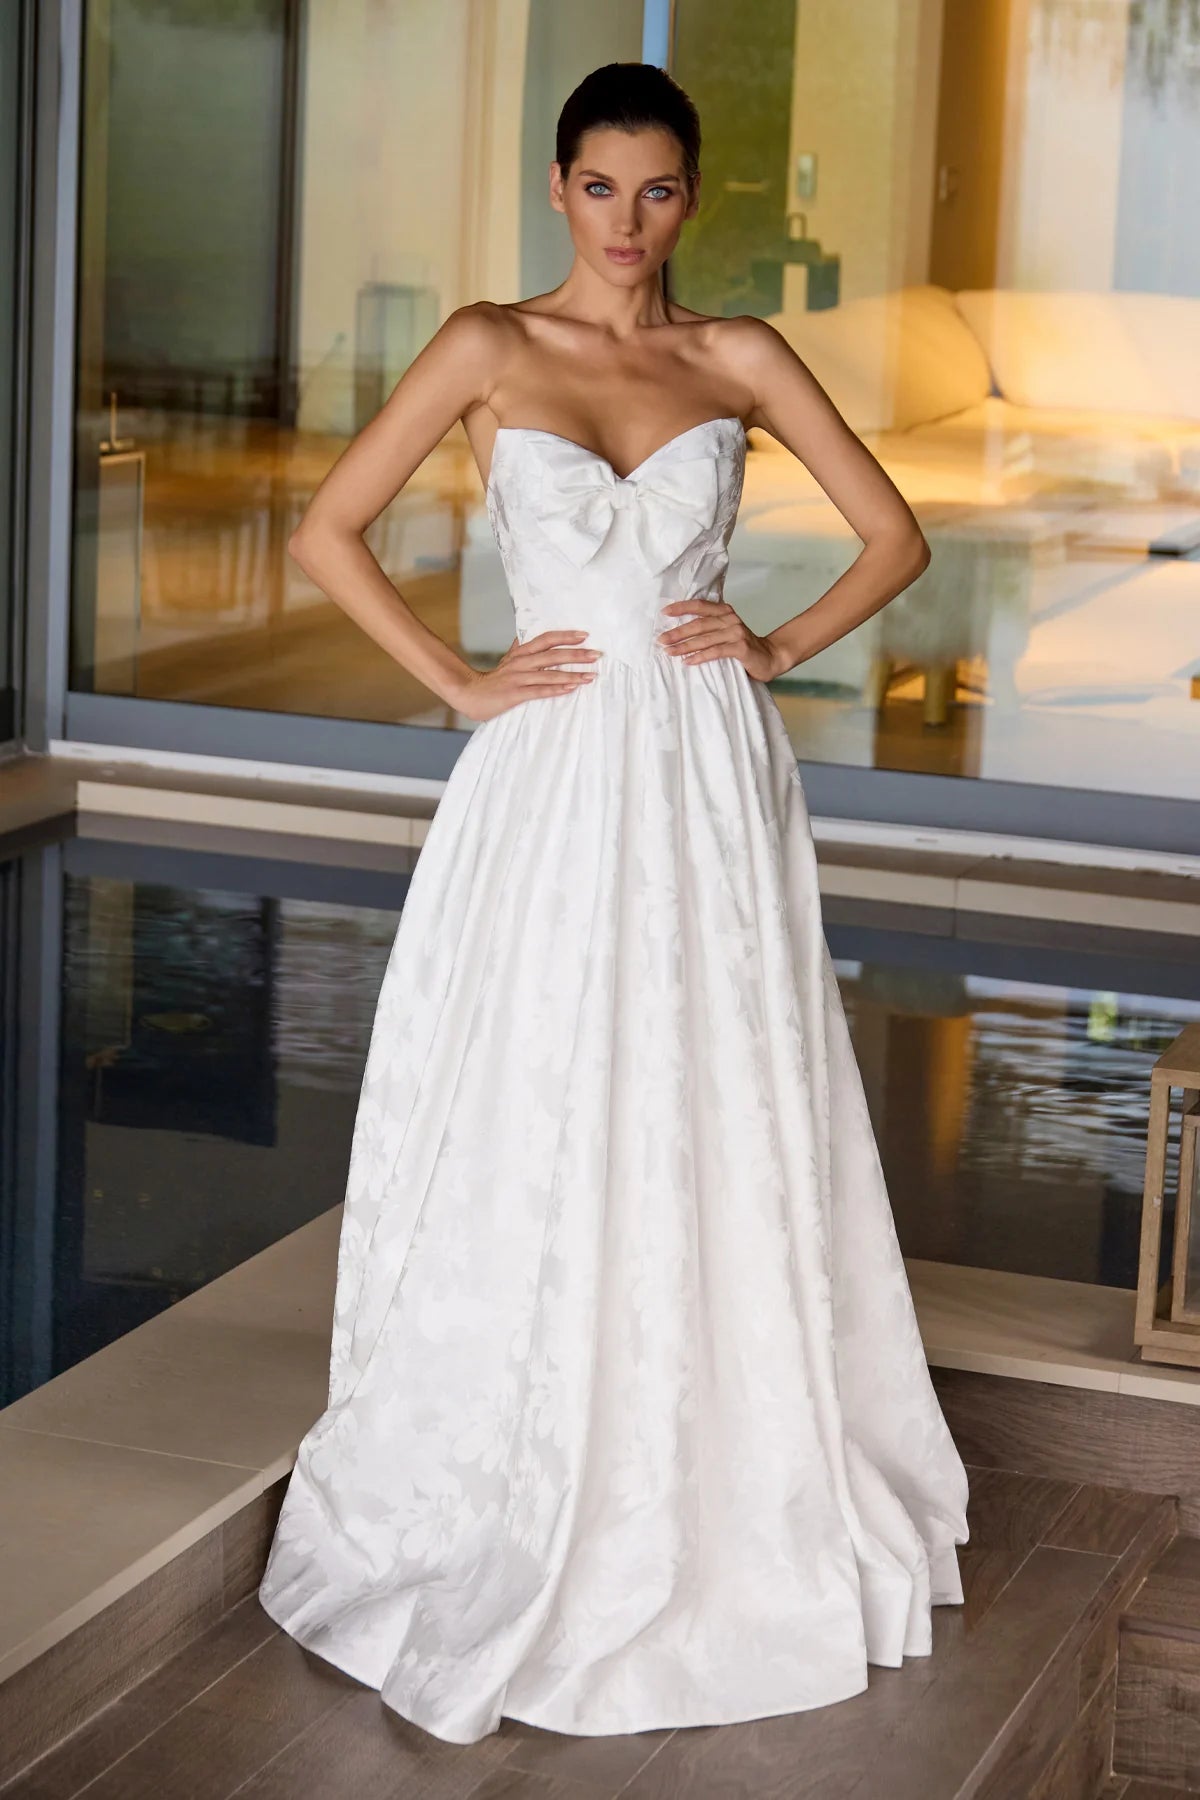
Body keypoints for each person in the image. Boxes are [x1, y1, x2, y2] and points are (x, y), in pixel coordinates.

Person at [257, 59, 970, 1746]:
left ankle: (724, 1453)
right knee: (538, 1074)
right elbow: (329, 531)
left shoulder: (738, 357)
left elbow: (894, 535)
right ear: (557, 187)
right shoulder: (490, 345)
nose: (630, 224)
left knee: (717, 1077)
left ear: (689, 197)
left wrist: (777, 647)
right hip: (553, 763)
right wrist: (459, 681)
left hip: (708, 770)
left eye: (659, 193)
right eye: (601, 189)